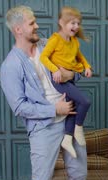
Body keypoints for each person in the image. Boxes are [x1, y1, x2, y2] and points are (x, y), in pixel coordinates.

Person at [0, 6, 88, 180]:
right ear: (18, 29)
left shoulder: (51, 45)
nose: (37, 26)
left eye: (35, 22)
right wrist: (54, 108)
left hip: (70, 119)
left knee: (79, 173)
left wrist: (69, 73)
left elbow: (75, 74)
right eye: (31, 23)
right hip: (43, 127)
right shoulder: (11, 65)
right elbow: (19, 106)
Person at [40, 6, 92, 158]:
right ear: (61, 23)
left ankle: (67, 138)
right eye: (72, 23)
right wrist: (55, 69)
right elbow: (44, 57)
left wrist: (87, 67)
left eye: (78, 23)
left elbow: (80, 57)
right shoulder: (55, 39)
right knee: (85, 102)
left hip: (69, 78)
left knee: (72, 107)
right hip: (59, 80)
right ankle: (78, 128)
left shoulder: (74, 41)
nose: (76, 27)